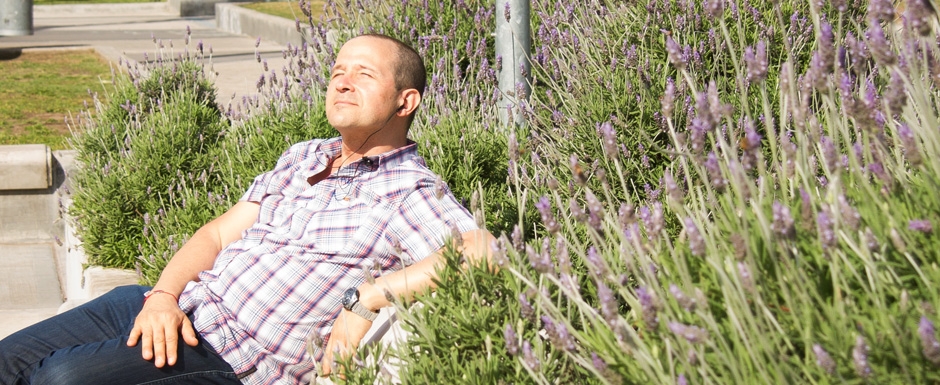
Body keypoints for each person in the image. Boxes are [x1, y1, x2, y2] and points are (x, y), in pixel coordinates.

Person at [0, 33, 496, 385]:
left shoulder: (407, 190)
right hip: (168, 307)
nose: (341, 83)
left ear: (405, 101)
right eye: (337, 72)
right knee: (7, 360)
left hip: (228, 356)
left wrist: (363, 299)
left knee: (58, 379)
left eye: (363, 75)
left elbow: (484, 252)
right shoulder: (304, 155)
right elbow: (216, 236)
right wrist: (163, 297)